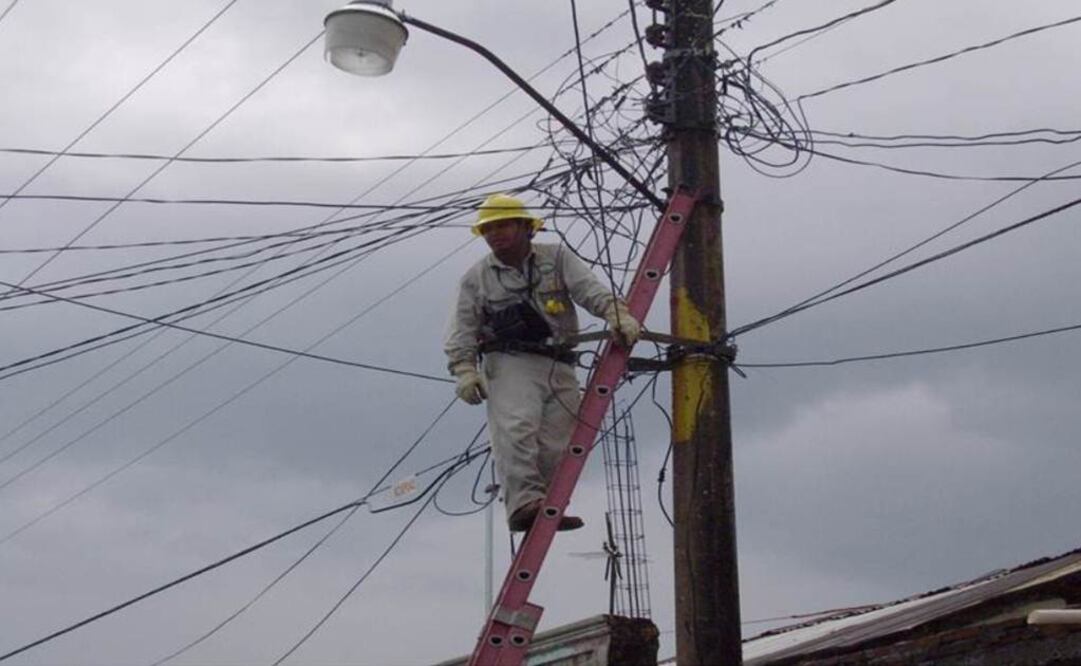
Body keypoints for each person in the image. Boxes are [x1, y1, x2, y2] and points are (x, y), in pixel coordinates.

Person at [444, 193, 641, 532]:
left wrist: (616, 313)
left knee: (558, 442)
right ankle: (524, 504)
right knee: (517, 429)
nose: (495, 234)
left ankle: (546, 506)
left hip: (560, 360)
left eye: (503, 225)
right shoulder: (478, 278)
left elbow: (588, 289)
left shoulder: (556, 258)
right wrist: (464, 370)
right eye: (489, 229)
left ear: (525, 226)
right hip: (510, 361)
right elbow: (462, 327)